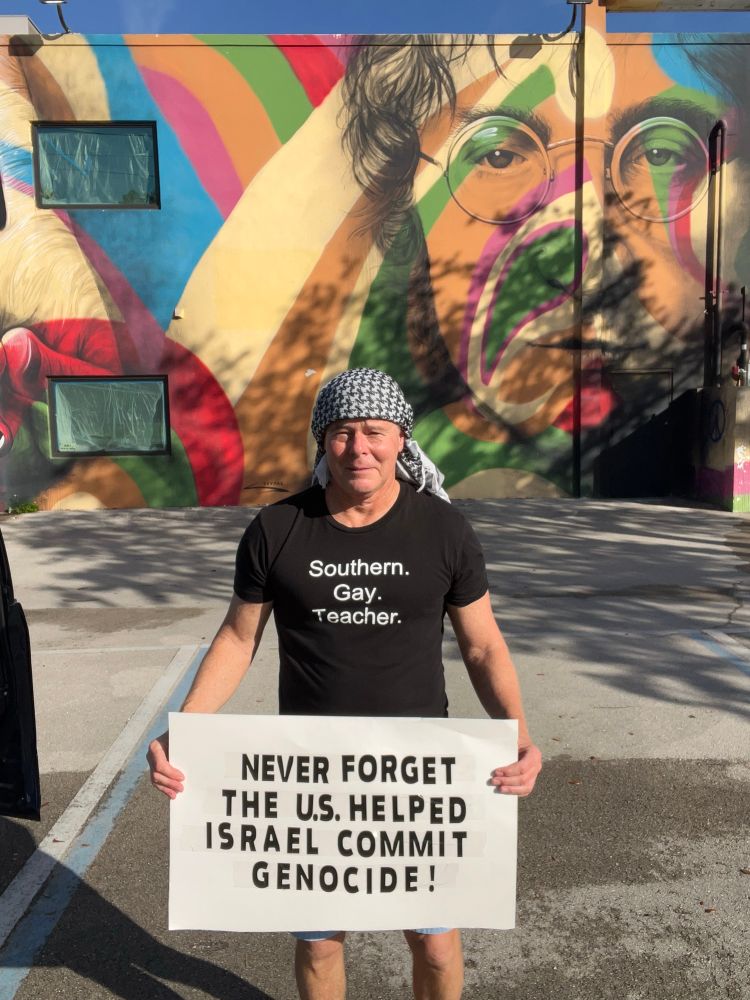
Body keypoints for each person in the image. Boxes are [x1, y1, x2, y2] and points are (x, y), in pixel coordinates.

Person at [153, 365, 542, 1000]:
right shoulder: (277, 531)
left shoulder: (444, 531)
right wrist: (185, 729)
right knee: (320, 942)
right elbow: (237, 638)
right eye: (341, 432)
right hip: (313, 771)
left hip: (419, 768)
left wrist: (520, 736)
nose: (358, 448)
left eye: (375, 432)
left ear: (401, 441)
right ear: (321, 440)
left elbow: (482, 644)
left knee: (436, 946)